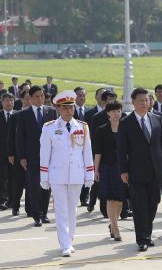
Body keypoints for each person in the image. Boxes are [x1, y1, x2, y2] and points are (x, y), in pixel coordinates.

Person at [40, 90, 94, 257]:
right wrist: (44, 176)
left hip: (76, 174)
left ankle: (69, 240)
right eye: (65, 108)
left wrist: (89, 174)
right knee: (61, 210)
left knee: (72, 209)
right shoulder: (49, 128)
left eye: (71, 107)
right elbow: (44, 153)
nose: (69, 110)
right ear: (58, 109)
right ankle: (65, 244)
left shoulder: (82, 126)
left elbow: (87, 152)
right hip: (57, 175)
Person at [118, 88, 162, 251]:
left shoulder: (157, 119)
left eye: (147, 100)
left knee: (153, 203)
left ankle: (147, 233)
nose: (144, 103)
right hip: (136, 172)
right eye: (140, 100)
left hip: (156, 170)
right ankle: (142, 239)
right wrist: (123, 170)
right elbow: (121, 149)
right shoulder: (126, 122)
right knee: (140, 206)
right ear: (133, 102)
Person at [16, 85, 57, 227]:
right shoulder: (23, 115)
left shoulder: (51, 112)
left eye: (42, 96)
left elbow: (56, 135)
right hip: (31, 157)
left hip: (49, 157)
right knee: (34, 187)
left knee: (46, 186)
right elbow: (19, 138)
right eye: (37, 96)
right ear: (31, 98)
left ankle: (44, 213)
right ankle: (36, 215)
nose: (40, 99)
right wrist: (21, 157)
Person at [94, 101, 126, 242]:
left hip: (122, 168)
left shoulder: (126, 127)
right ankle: (115, 228)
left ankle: (113, 224)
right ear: (108, 113)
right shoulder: (102, 130)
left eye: (118, 111)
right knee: (110, 198)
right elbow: (98, 152)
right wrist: (96, 170)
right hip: (107, 167)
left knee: (120, 200)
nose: (116, 114)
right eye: (113, 111)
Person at [0, 93, 15, 210]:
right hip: (1, 153)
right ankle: (3, 200)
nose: (9, 102)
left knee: (14, 177)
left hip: (15, 153)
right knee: (3, 177)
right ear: (2, 102)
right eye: (6, 100)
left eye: (11, 100)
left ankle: (13, 200)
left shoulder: (19, 115)